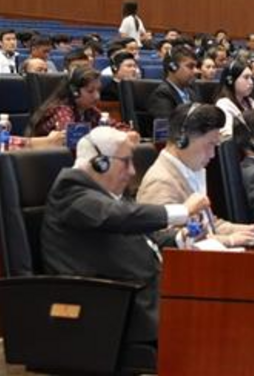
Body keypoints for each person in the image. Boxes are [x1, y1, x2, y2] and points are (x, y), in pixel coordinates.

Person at [41, 127, 211, 352]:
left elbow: (143, 236)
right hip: (111, 309)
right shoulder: (71, 192)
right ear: (100, 162)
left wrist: (181, 237)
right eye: (126, 162)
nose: (132, 171)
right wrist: (183, 210)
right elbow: (120, 217)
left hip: (145, 297)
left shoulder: (109, 194)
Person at [137, 104, 254, 246]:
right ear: (182, 140)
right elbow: (167, 240)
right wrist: (230, 240)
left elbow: (210, 224)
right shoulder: (160, 181)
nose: (212, 154)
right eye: (210, 144)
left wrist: (251, 230)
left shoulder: (191, 170)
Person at [28, 68, 130, 137]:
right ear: (74, 92)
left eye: (99, 90)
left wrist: (128, 134)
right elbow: (74, 138)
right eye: (90, 91)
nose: (97, 96)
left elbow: (116, 126)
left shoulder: (90, 110)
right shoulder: (61, 109)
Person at [147, 46, 198, 122]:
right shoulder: (161, 95)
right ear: (173, 67)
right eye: (190, 66)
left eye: (196, 67)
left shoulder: (192, 92)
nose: (196, 71)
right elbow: (168, 126)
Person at [214, 60, 254, 139]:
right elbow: (227, 136)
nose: (251, 82)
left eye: (251, 78)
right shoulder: (223, 105)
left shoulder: (252, 103)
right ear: (231, 80)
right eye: (246, 77)